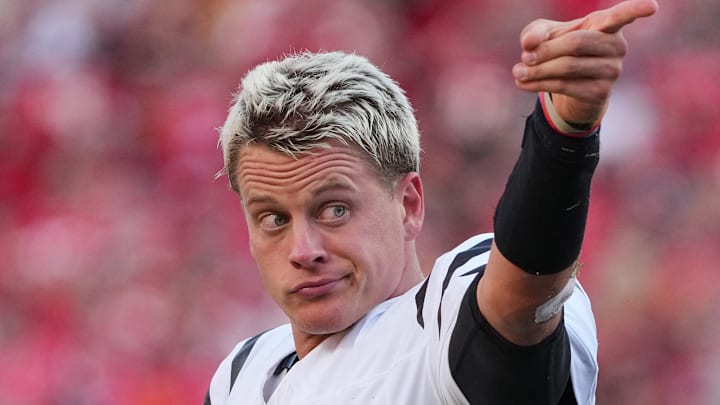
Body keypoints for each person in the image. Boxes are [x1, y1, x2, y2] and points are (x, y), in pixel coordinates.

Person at [204, 1, 657, 403]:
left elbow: (522, 289)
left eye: (334, 209)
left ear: (409, 204)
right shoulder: (243, 376)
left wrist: (562, 132)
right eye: (273, 218)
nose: (303, 250)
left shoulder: (442, 318)